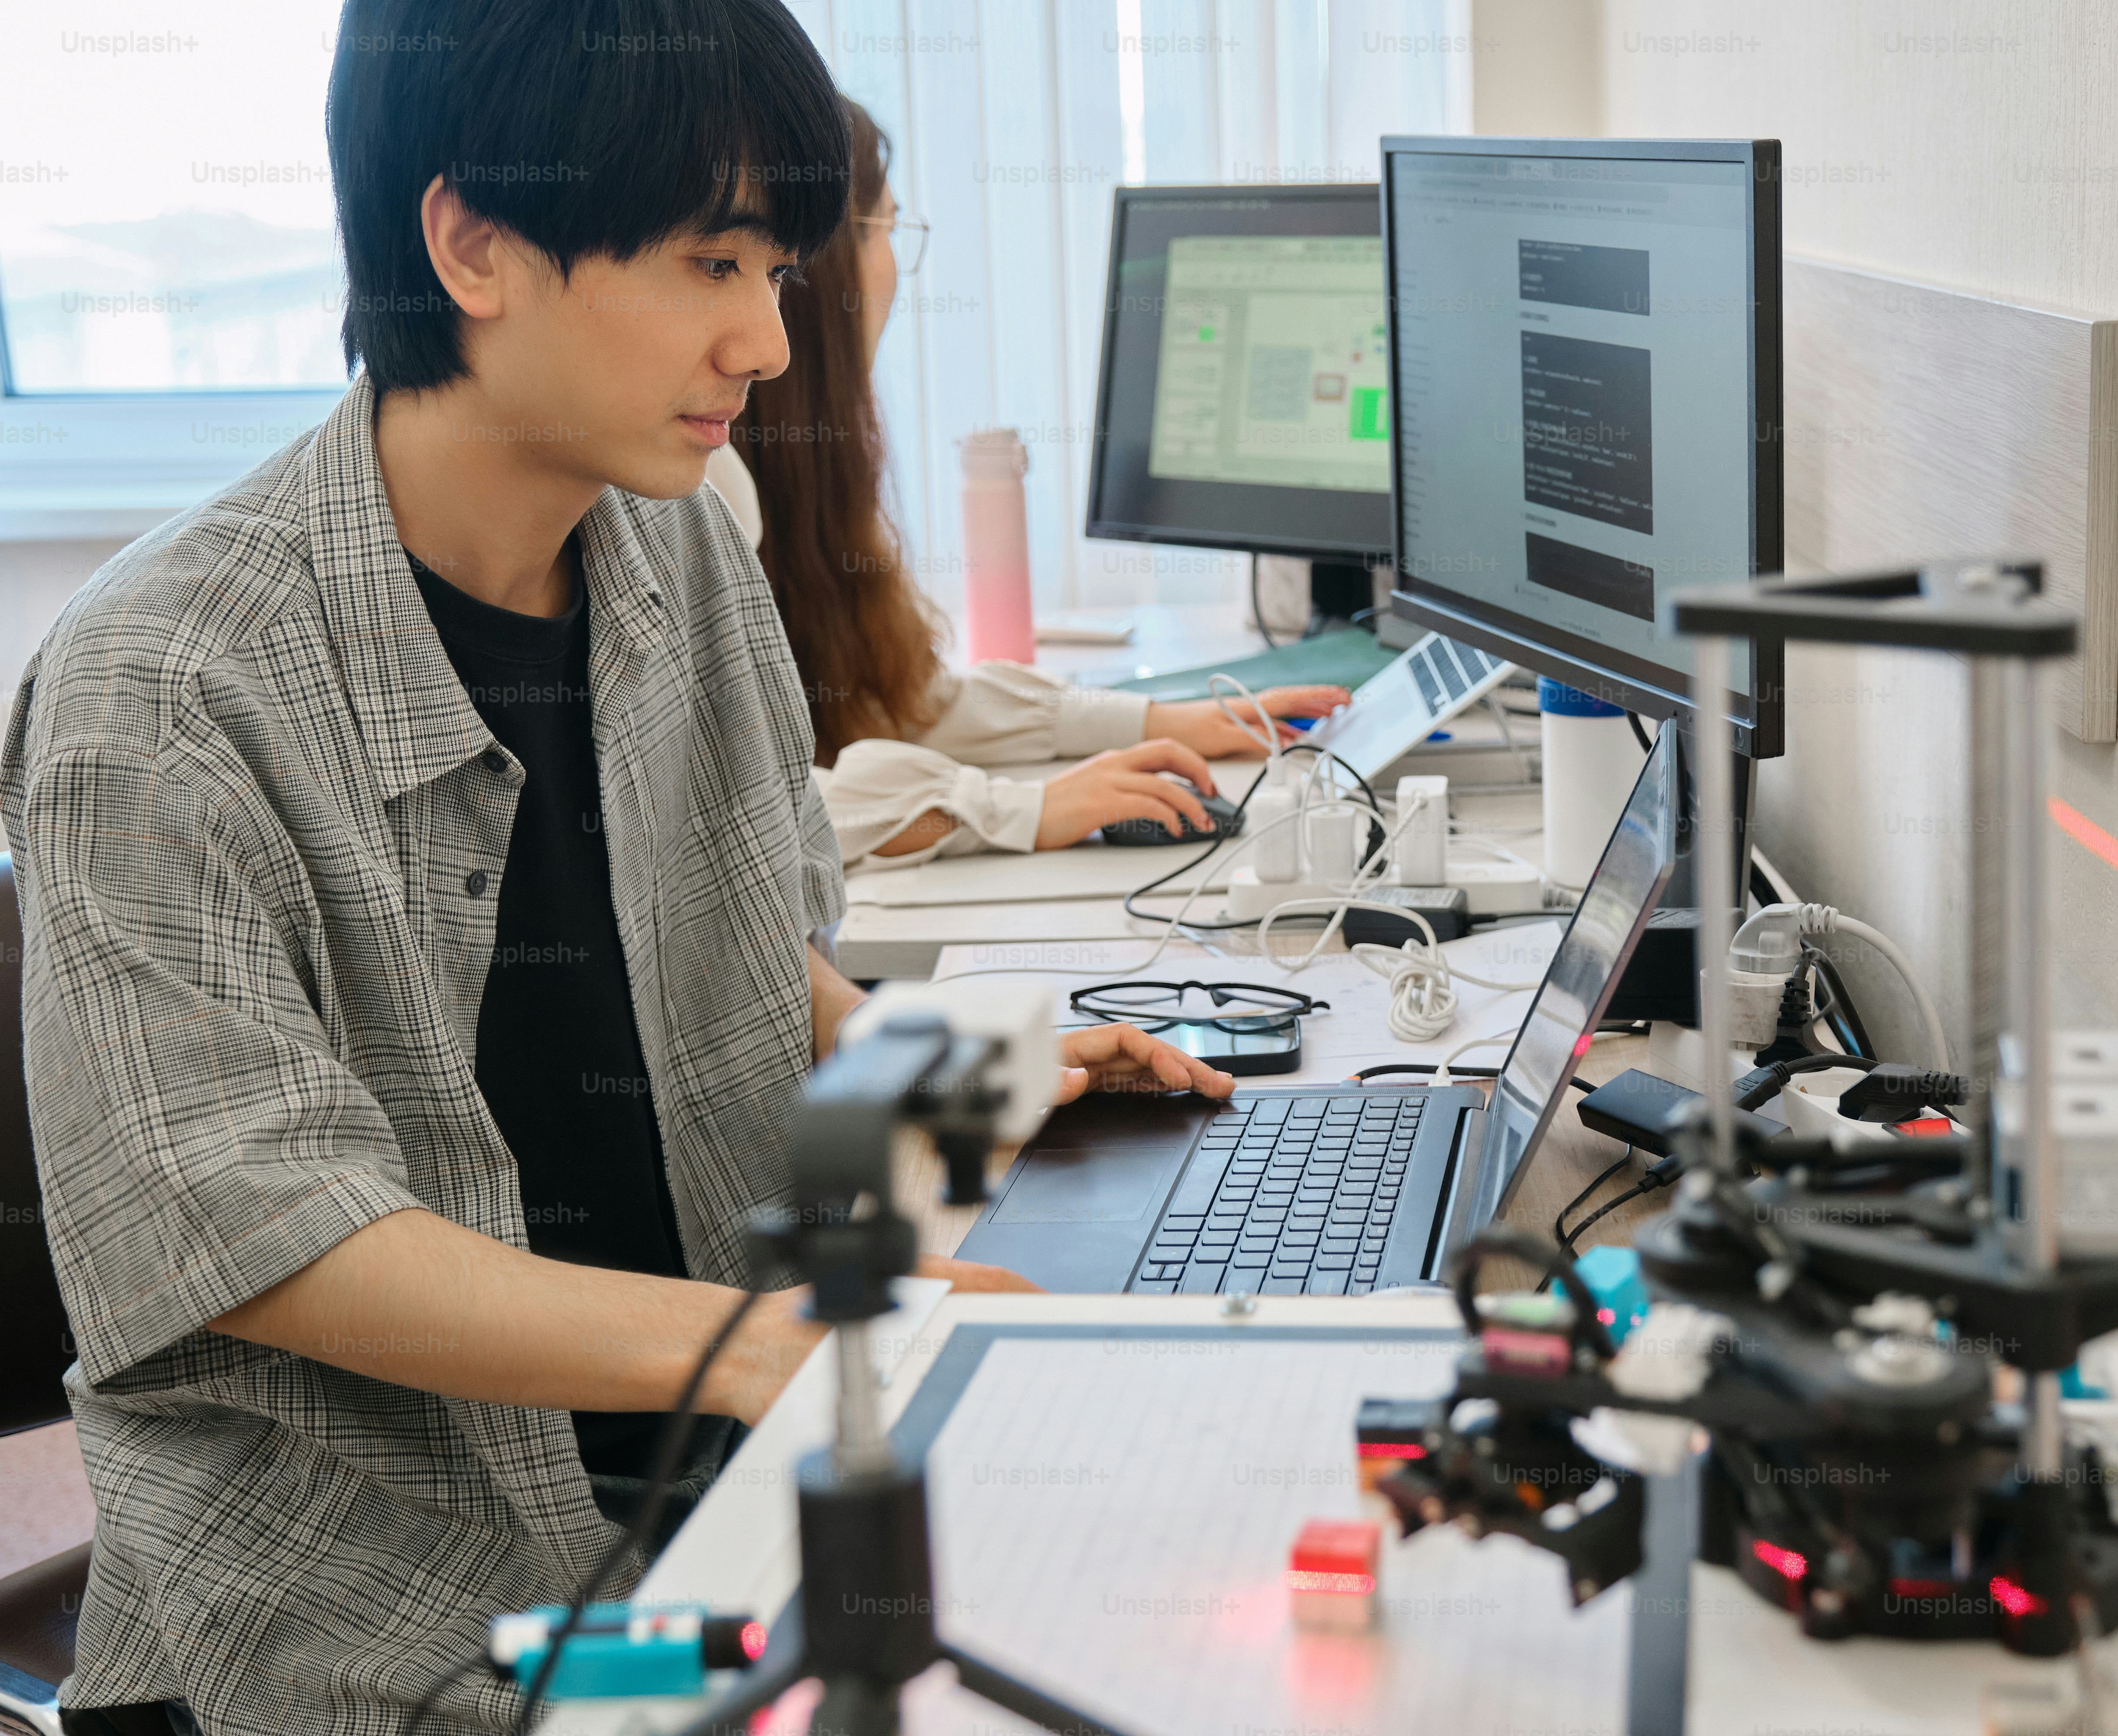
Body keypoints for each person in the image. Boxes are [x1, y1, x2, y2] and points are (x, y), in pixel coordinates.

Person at [0, 6, 1228, 1732]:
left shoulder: (671, 555)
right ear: (473, 243)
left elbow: (738, 966)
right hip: (378, 1638)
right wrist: (754, 1346)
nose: (768, 341)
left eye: (782, 269)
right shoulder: (167, 681)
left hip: (721, 1509)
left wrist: (972, 1074)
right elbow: (265, 1237)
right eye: (713, 261)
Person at [711, 99, 1349, 867]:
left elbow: (895, 701)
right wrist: (1020, 808)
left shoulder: (780, 475)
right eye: (888, 230)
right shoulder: (708, 491)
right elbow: (742, 817)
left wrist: (1154, 722)